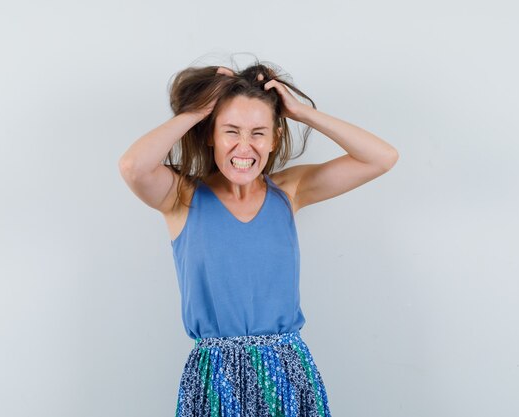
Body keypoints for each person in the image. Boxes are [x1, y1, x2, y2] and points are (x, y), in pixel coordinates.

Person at [118, 59, 398, 417]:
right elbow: (133, 167)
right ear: (210, 133)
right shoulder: (181, 197)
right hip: (214, 379)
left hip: (287, 373)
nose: (244, 147)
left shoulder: (290, 190)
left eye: (258, 132)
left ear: (274, 138)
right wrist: (198, 109)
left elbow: (382, 158)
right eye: (231, 131)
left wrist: (300, 112)